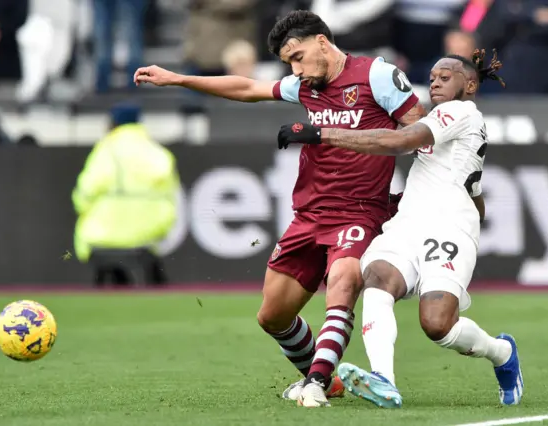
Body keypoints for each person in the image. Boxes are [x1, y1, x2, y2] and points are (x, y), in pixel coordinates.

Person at [134, 10, 426, 408]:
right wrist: (178, 78)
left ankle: (318, 382)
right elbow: (246, 88)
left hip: (360, 213)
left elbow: (420, 134)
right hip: (309, 216)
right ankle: (326, 379)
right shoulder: (306, 85)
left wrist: (420, 197)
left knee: (341, 286)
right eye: (289, 62)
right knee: (271, 316)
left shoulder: (376, 75)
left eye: (299, 56)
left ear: (323, 42)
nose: (296, 69)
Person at [277, 49, 523, 408]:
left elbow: (398, 141)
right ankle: (384, 381)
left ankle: (501, 352)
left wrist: (321, 133)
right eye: (434, 76)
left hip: (448, 228)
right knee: (377, 277)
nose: (435, 82)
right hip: (409, 223)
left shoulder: (460, 112)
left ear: (470, 84)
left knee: (438, 326)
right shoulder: (446, 120)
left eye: (446, 76)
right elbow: (472, 187)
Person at [73, 103, 178, 286]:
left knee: (108, 274)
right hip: (148, 236)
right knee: (152, 272)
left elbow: (85, 192)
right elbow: (170, 199)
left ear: (113, 123)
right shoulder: (158, 153)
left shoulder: (106, 151)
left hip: (103, 235)